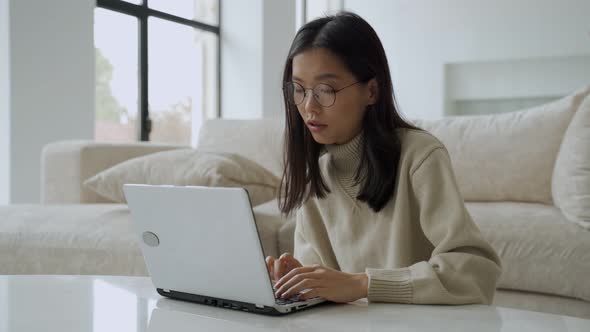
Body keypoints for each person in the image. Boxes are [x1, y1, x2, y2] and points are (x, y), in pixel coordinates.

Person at [266, 12, 502, 305]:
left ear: (372, 90)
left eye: (326, 90)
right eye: (299, 90)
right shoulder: (318, 173)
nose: (309, 107)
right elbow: (331, 284)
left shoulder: (420, 156)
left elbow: (476, 272)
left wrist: (365, 284)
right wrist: (300, 281)